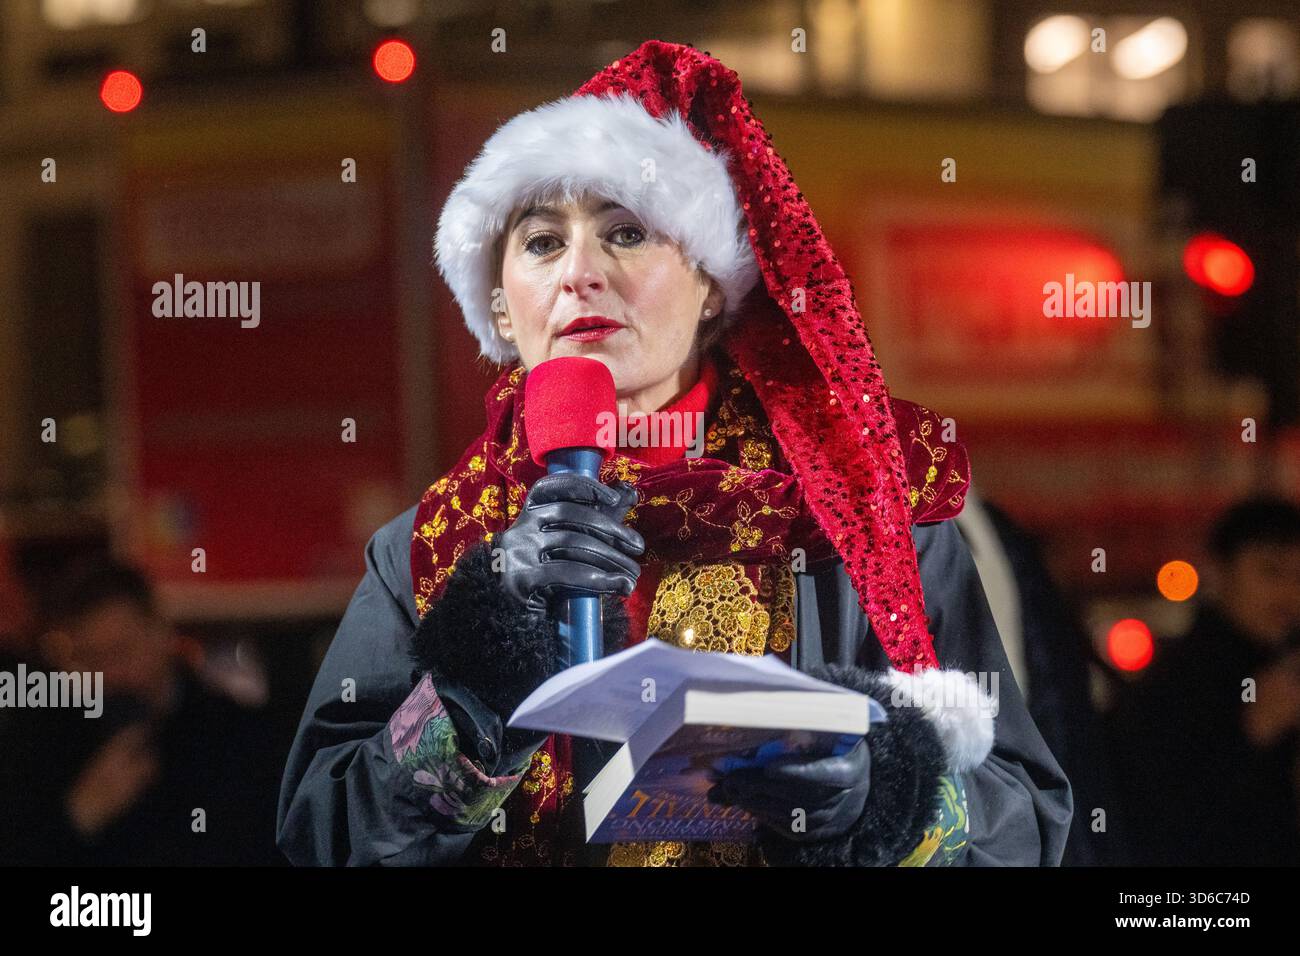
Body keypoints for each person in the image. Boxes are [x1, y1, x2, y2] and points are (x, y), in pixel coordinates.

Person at [277, 39, 1072, 867]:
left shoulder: (858, 517)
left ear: (710, 288)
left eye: (625, 232)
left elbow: (1028, 821)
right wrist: (478, 681)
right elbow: (322, 834)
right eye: (542, 242)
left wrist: (878, 795)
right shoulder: (429, 546)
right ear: (501, 309)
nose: (579, 273)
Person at [0, 555, 284, 865]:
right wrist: (78, 816)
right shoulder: (43, 743)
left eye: (122, 651)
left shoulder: (239, 736)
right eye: (89, 659)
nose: (110, 675)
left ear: (161, 634)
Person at [1107, 494, 1300, 865]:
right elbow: (1155, 810)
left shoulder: (1281, 664)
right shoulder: (1183, 681)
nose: (1289, 594)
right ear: (1220, 572)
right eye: (1271, 571)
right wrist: (1250, 733)